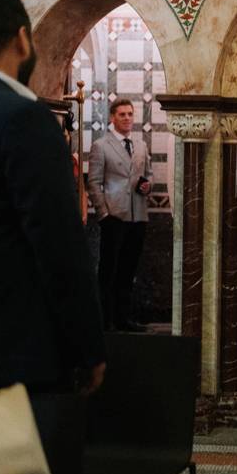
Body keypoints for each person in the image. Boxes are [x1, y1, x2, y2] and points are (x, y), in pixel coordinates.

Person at [0, 0, 106, 474]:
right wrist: (88, 347)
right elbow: (58, 245)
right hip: (28, 355)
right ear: (22, 39)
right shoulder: (26, 118)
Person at [87, 98, 152, 331]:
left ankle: (124, 319)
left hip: (138, 216)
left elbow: (149, 173)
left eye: (130, 114)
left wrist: (148, 185)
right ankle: (105, 321)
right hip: (114, 216)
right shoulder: (101, 145)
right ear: (112, 118)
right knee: (109, 271)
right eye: (122, 114)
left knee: (128, 270)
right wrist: (103, 214)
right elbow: (93, 183)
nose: (127, 118)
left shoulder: (140, 145)